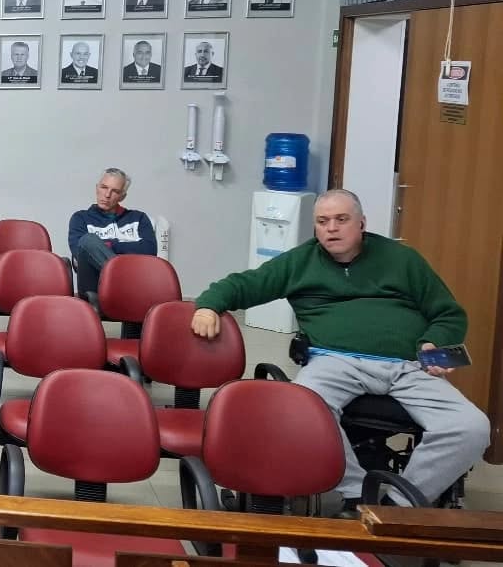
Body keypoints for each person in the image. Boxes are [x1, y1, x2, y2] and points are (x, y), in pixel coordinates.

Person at [191, 189, 487, 511]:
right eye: (323, 221)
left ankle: (398, 506)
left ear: (361, 223)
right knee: (300, 412)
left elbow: (448, 313)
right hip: (333, 362)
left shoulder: (402, 260)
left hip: (407, 365)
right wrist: (208, 306)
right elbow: (242, 284)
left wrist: (433, 343)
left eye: (341, 219)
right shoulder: (300, 262)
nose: (331, 228)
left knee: (471, 427)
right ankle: (358, 494)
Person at [67, 168, 157, 295]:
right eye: (104, 187)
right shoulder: (80, 218)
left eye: (115, 191)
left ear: (122, 196)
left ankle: (127, 287)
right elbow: (79, 253)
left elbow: (150, 250)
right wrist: (126, 251)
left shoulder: (139, 218)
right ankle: (127, 285)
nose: (107, 195)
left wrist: (109, 245)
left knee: (91, 242)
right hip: (95, 291)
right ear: (97, 188)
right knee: (88, 240)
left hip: (134, 287)